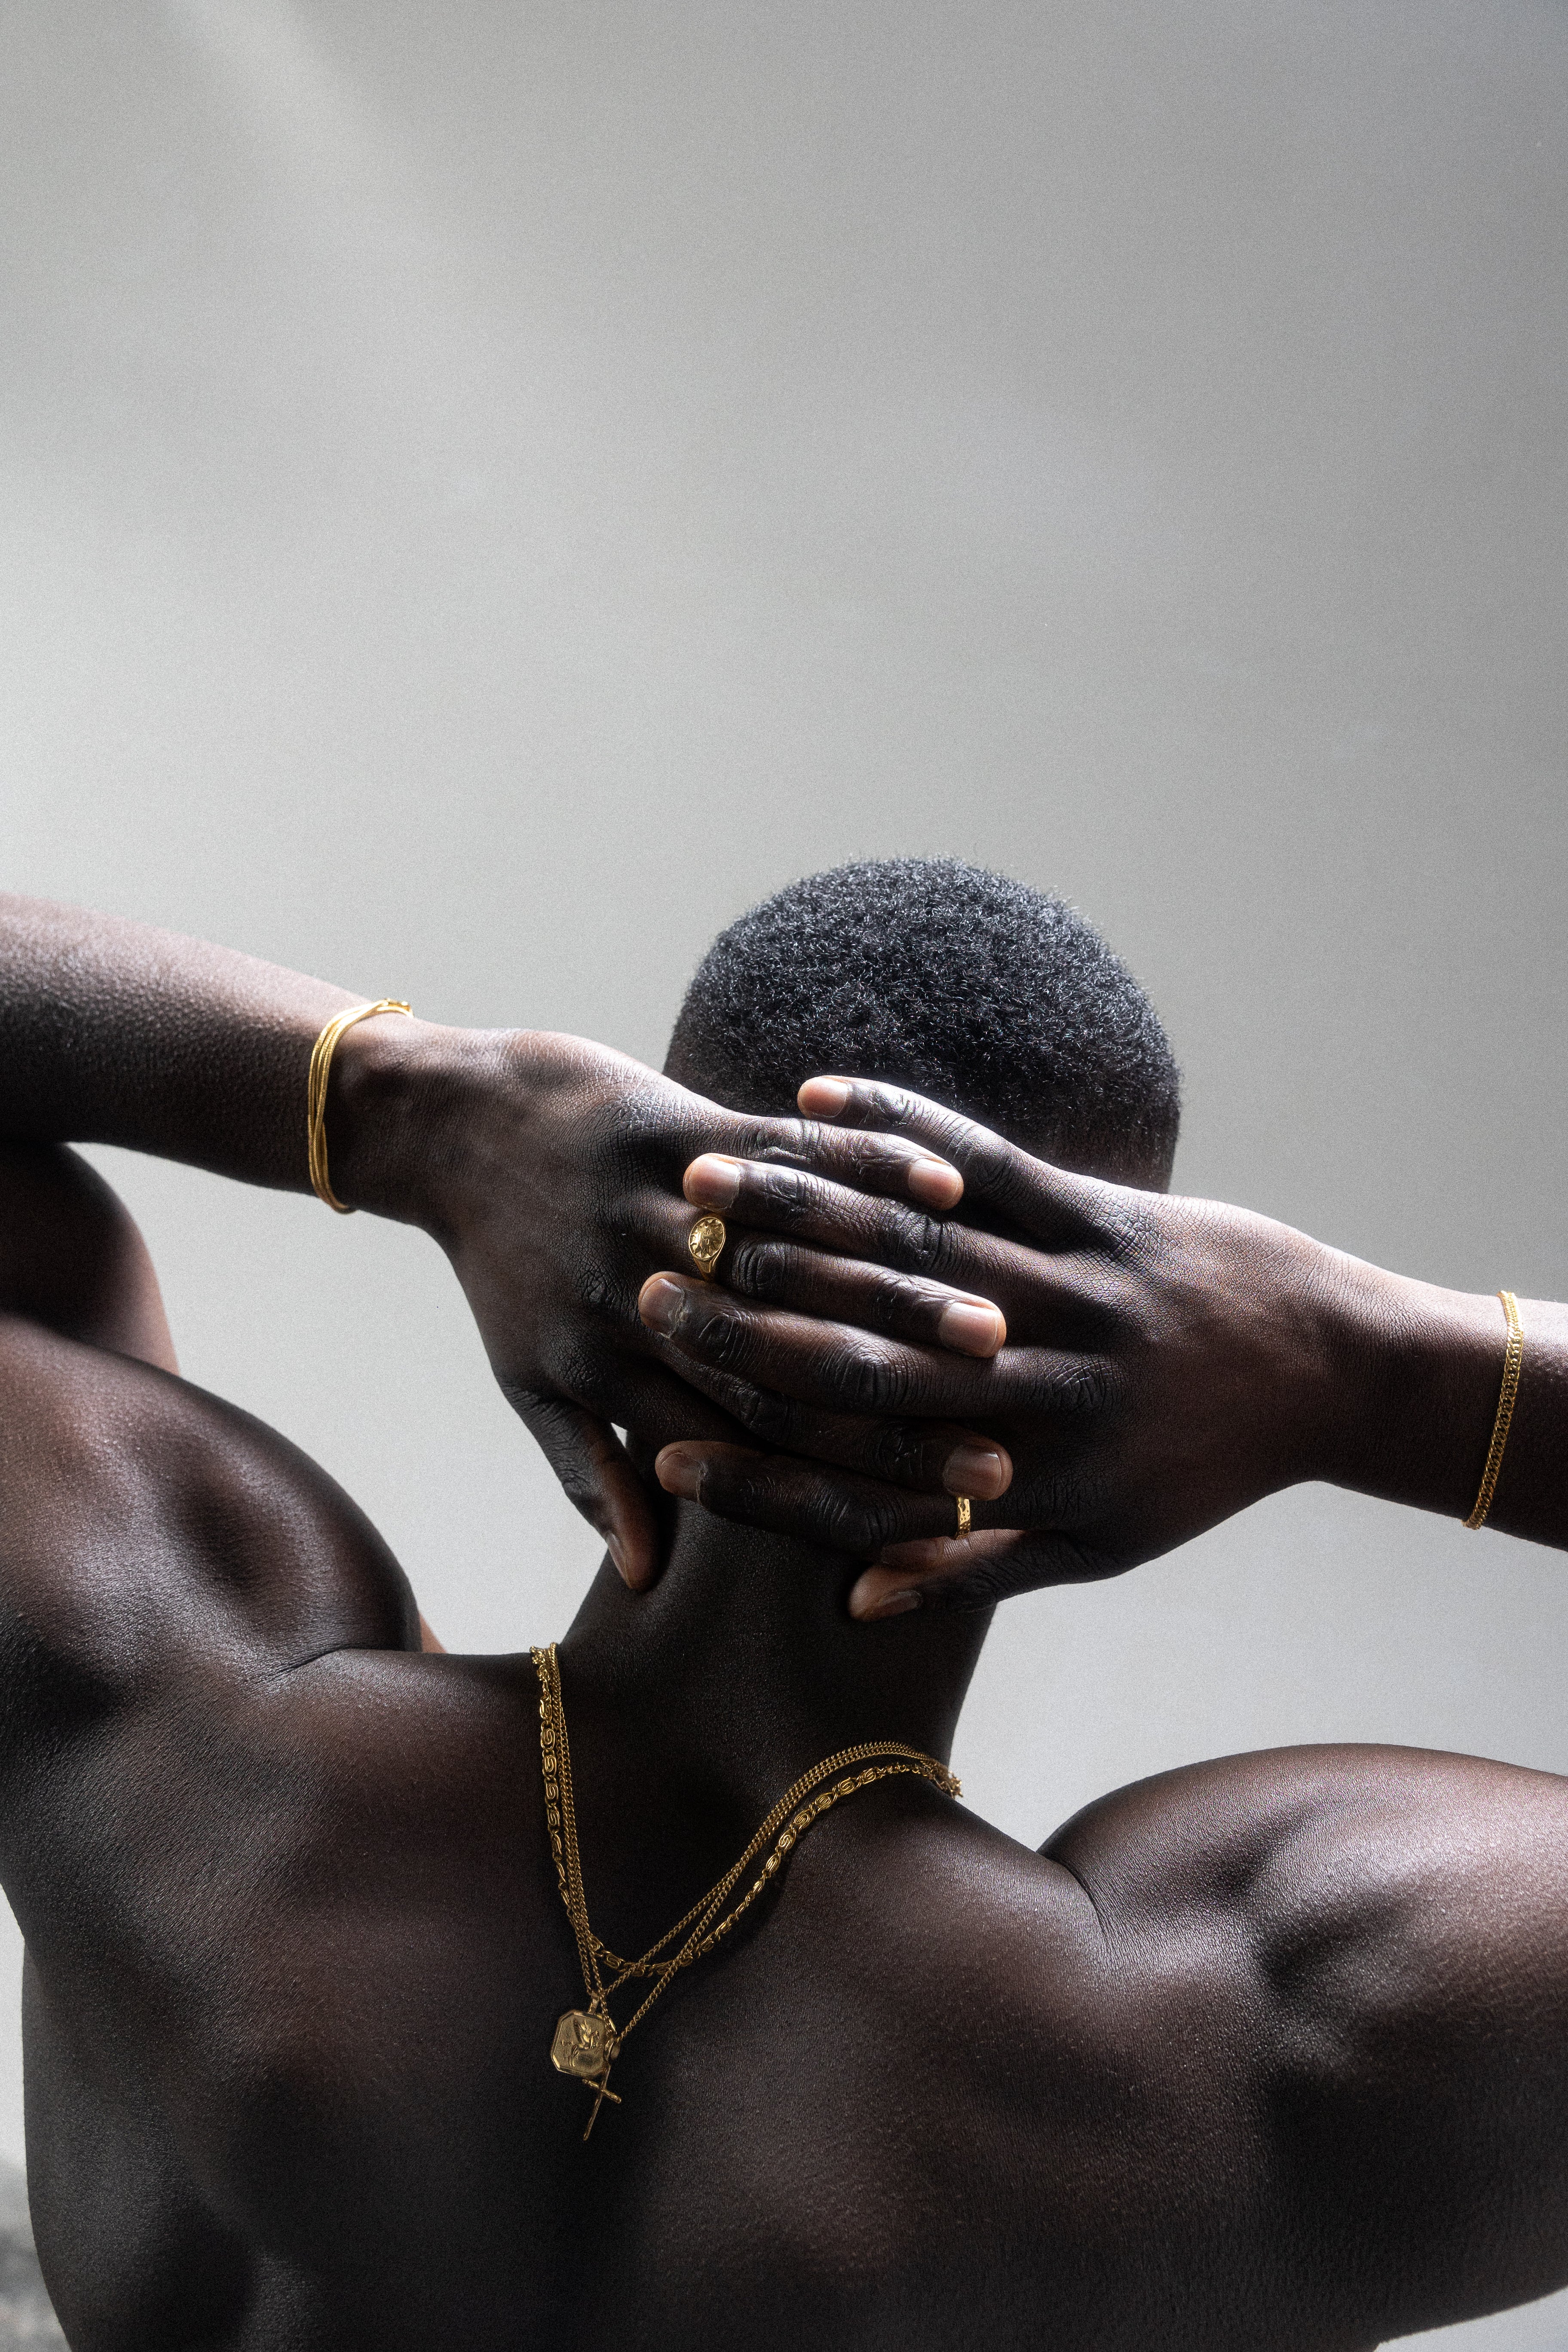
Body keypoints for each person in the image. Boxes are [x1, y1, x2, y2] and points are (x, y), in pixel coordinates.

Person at [0, 864, 1562, 2350]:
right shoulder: (1234, 2050)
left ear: (630, 1224)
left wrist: (419, 1104)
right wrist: (1353, 1364)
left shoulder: (170, 1696)